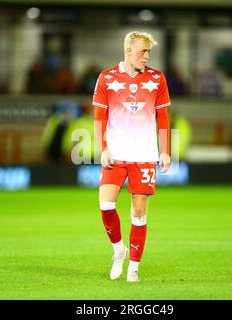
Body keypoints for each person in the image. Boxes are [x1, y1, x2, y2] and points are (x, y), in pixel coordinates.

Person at [92, 31, 171, 282]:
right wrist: (102, 148)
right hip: (116, 153)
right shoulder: (107, 78)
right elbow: (99, 118)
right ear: (128, 51)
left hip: (144, 155)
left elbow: (164, 117)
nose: (146, 56)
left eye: (149, 52)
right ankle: (119, 250)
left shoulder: (157, 79)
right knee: (106, 206)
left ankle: (134, 268)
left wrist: (166, 150)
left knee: (139, 212)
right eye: (142, 51)